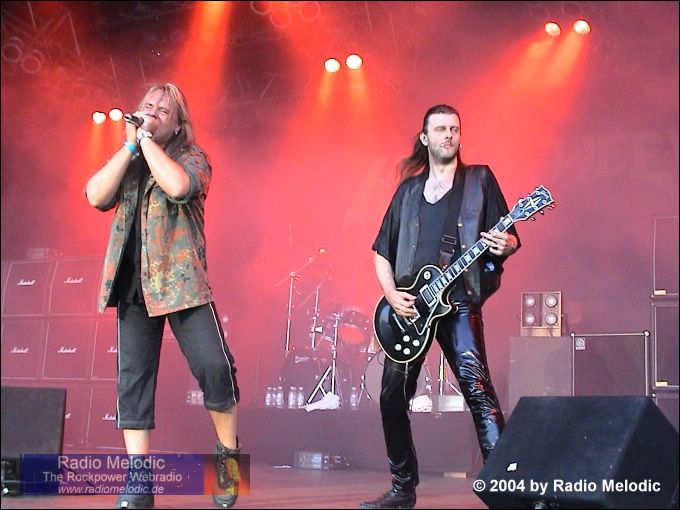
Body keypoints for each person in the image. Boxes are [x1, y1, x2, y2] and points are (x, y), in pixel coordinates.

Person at [85, 83, 240, 510]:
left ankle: (228, 460)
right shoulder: (130, 159)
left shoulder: (192, 157)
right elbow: (95, 195)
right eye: (147, 105)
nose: (152, 112)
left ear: (176, 125)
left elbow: (178, 187)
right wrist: (128, 148)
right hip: (133, 285)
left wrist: (146, 141)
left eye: (162, 110)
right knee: (133, 381)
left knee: (214, 367)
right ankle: (139, 482)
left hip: (182, 283)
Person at [362, 104, 520, 509]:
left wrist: (506, 245)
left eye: (454, 129)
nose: (449, 135)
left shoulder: (479, 180)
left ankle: (506, 489)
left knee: (478, 390)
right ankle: (402, 488)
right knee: (391, 396)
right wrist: (391, 295)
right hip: (412, 307)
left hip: (460, 299)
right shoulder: (407, 192)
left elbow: (510, 236)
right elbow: (381, 252)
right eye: (441, 129)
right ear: (425, 138)